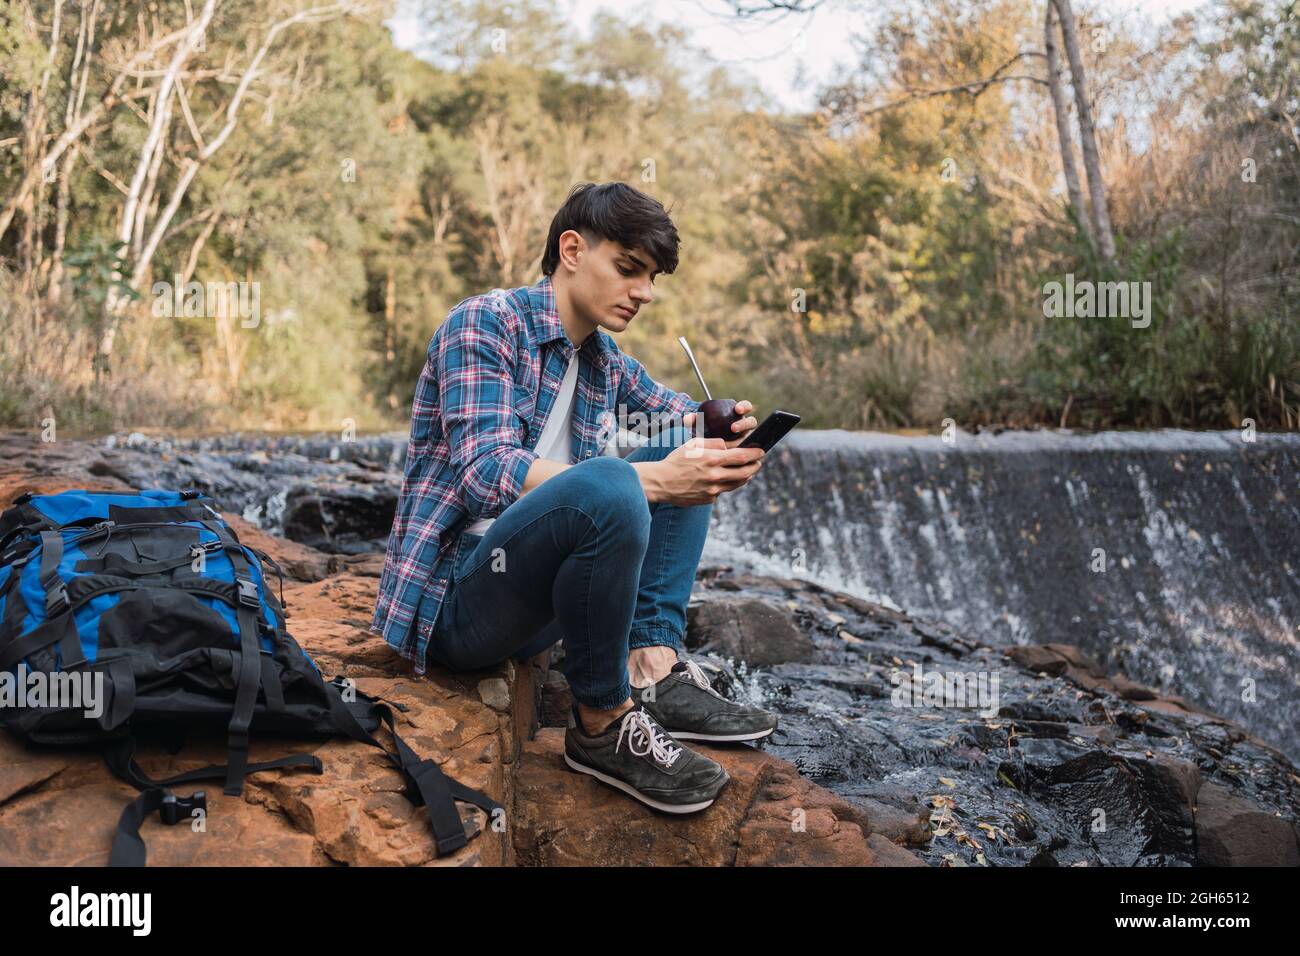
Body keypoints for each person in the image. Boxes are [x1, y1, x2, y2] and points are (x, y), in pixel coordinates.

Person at [371, 181, 778, 814]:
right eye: (628, 270)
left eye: (651, 279)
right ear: (571, 250)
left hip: (538, 606)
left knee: (679, 451)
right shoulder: (483, 324)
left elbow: (673, 414)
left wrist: (720, 429)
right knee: (613, 480)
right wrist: (646, 482)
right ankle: (601, 724)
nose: (643, 292)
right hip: (457, 606)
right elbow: (485, 470)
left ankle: (651, 667)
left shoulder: (601, 357)